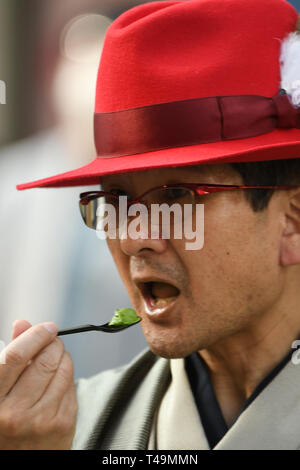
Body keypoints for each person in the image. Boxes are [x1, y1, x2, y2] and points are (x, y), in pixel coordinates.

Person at [1, 0, 300, 450]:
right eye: (115, 200)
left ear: (292, 221)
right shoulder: (64, 430)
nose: (132, 237)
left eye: (176, 196)